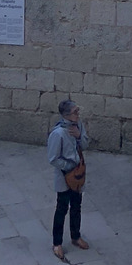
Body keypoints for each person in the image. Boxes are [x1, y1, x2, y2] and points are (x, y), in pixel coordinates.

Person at [47, 99, 89, 256]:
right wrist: (69, 168)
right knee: (62, 208)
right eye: (75, 112)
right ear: (66, 115)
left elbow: (85, 145)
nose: (78, 114)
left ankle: (75, 236)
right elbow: (53, 158)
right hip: (65, 176)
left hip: (78, 175)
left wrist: (79, 136)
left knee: (77, 206)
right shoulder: (57, 134)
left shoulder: (79, 126)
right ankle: (57, 243)